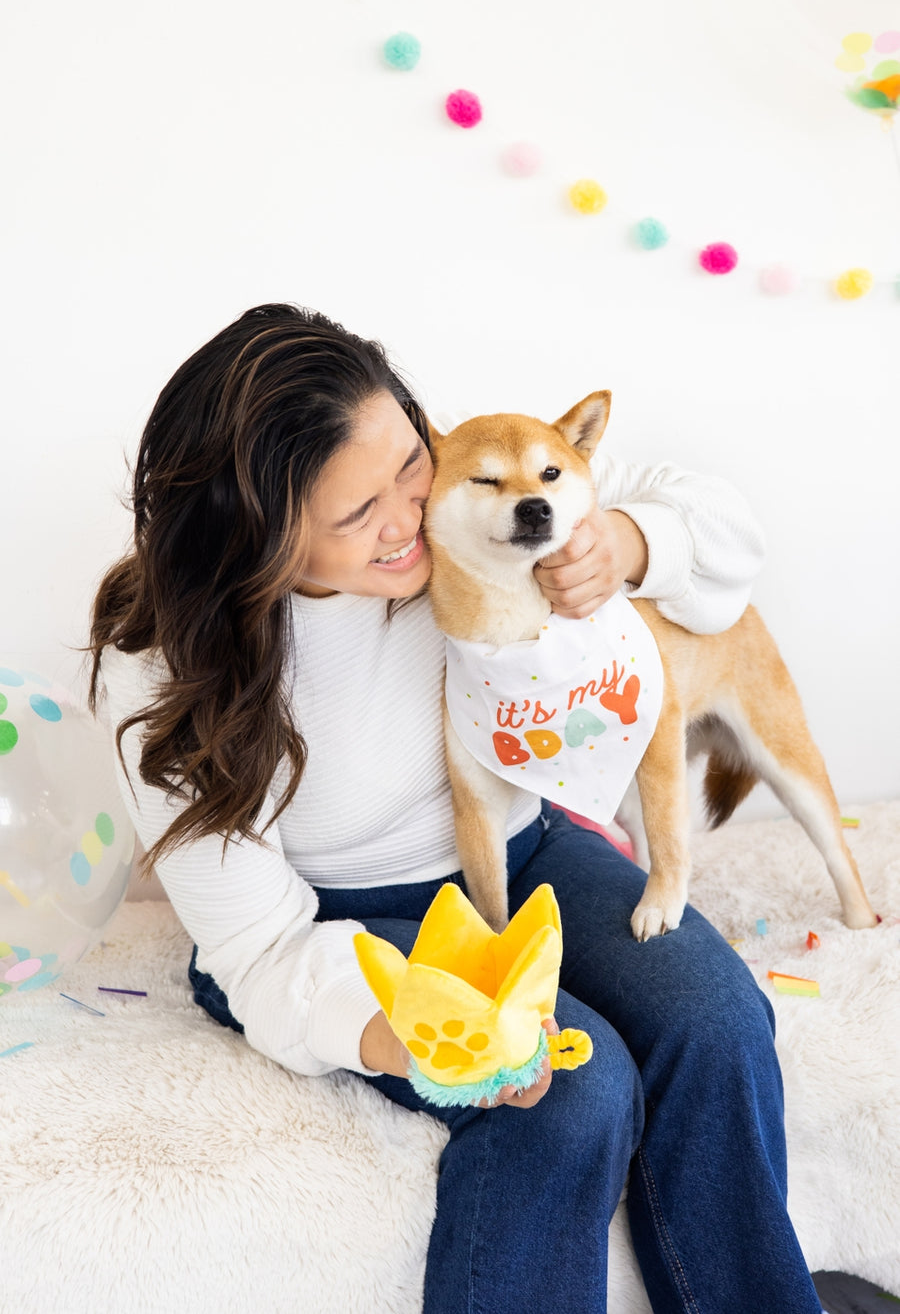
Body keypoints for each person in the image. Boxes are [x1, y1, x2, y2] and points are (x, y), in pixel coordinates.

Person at [89, 302, 824, 1314]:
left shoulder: (469, 529)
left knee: (718, 1020)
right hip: (336, 923)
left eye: (411, 465)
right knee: (571, 1089)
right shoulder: (164, 670)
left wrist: (625, 539)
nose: (410, 516)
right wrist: (402, 1034)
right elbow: (259, 949)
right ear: (248, 534)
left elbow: (719, 542)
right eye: (358, 515)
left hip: (521, 852)